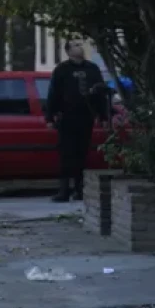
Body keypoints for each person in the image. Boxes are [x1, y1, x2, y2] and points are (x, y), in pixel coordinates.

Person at [45, 38, 109, 202]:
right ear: (68, 51)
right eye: (75, 45)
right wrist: (49, 116)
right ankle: (64, 191)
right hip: (67, 118)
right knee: (67, 154)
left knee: (82, 154)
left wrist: (103, 116)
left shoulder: (92, 69)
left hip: (85, 117)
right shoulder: (62, 70)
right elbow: (53, 94)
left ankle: (80, 190)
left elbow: (101, 94)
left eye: (80, 44)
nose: (80, 47)